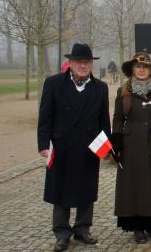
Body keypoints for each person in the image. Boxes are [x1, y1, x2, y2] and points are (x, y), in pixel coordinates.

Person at [37, 43, 110, 252]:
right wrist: (43, 144)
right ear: (70, 63)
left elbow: (104, 121)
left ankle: (82, 229)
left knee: (87, 189)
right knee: (60, 191)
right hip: (61, 146)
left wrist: (106, 147)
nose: (83, 65)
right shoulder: (53, 83)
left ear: (91, 65)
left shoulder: (100, 88)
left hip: (88, 147)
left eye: (86, 62)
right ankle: (61, 233)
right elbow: (45, 117)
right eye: (79, 62)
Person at [111, 52, 151, 244]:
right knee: (135, 186)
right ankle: (138, 227)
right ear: (132, 69)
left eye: (145, 67)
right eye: (138, 67)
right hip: (132, 146)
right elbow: (118, 118)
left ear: (150, 70)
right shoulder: (123, 91)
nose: (141, 70)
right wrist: (117, 140)